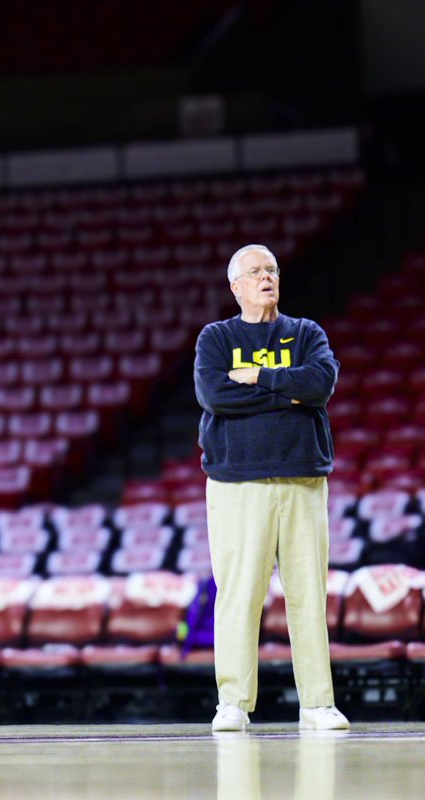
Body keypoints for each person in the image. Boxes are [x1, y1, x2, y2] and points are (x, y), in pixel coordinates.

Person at [194, 244, 349, 733]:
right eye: (255, 272)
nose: (267, 277)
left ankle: (318, 704)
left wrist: (259, 377)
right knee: (238, 594)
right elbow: (216, 395)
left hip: (303, 479)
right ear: (235, 286)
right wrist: (289, 391)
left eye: (272, 270)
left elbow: (321, 384)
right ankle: (233, 703)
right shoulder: (216, 338)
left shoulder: (306, 333)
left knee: (309, 595)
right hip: (237, 483)